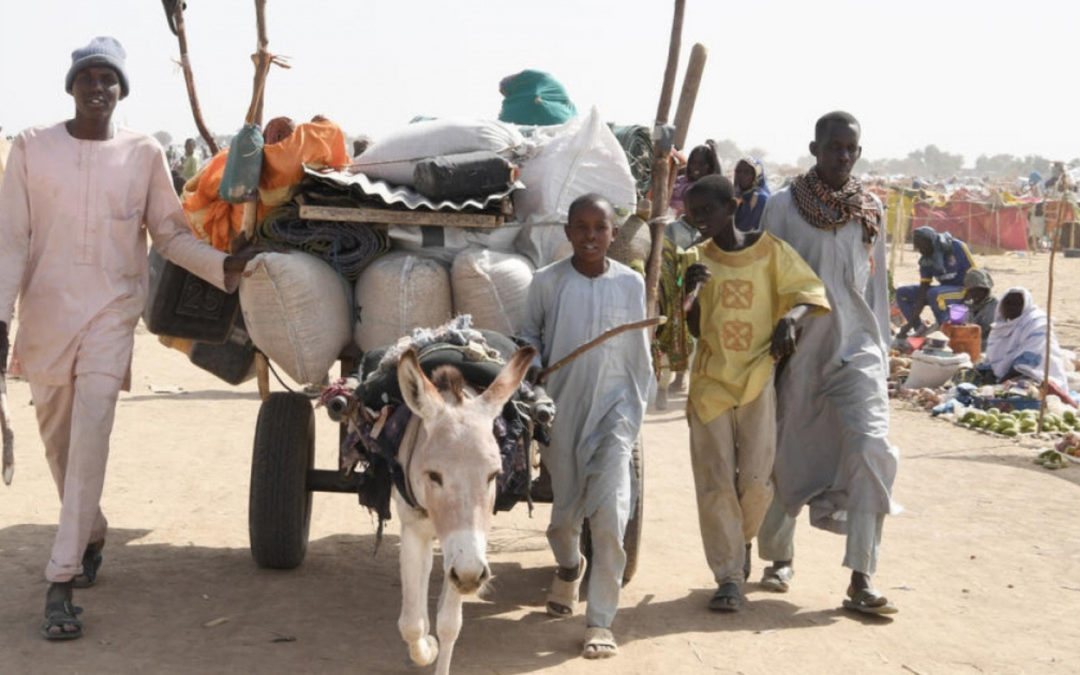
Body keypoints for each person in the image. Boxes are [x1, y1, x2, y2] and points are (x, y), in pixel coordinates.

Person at [0, 36, 255, 640]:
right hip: (45, 320)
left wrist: (226, 266)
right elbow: (10, 241)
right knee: (60, 446)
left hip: (112, 317)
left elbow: (168, 236)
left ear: (121, 91)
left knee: (90, 439)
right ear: (71, 87)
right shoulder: (32, 148)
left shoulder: (143, 154)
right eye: (87, 77)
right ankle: (88, 531)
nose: (97, 87)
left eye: (108, 79)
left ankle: (59, 582)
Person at [756, 111, 901, 615]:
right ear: (814, 148)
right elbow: (764, 277)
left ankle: (862, 575)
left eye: (850, 149)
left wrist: (882, 351)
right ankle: (778, 557)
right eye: (833, 147)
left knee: (870, 447)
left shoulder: (871, 208)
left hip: (858, 347)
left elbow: (875, 285)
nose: (842, 156)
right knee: (789, 452)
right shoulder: (782, 208)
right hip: (799, 349)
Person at [682, 176, 829, 611]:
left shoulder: (770, 252)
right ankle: (728, 576)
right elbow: (691, 328)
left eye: (706, 212)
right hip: (710, 383)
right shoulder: (695, 258)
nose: (699, 222)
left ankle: (741, 540)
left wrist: (791, 319)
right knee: (714, 483)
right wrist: (688, 293)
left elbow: (809, 293)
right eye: (693, 215)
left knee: (756, 481)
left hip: (757, 378)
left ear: (733, 206)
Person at [520, 193, 654, 659]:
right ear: (568, 233)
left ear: (614, 235)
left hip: (616, 410)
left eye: (600, 227)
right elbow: (528, 335)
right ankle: (569, 567)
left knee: (612, 517)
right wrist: (534, 363)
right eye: (582, 226)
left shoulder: (631, 285)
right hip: (563, 408)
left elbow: (638, 353)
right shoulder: (546, 282)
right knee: (564, 519)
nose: (591, 236)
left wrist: (637, 405)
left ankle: (599, 621)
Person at [895, 226, 976, 336]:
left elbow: (975, 274)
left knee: (934, 294)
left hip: (963, 289)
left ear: (931, 241)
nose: (921, 251)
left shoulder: (957, 247)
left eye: (922, 246)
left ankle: (944, 328)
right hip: (943, 291)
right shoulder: (926, 260)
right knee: (902, 293)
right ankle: (920, 328)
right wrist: (911, 322)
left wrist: (969, 299)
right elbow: (923, 289)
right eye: (918, 247)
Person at [984, 287, 1068, 391]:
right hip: (1007, 376)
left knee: (1023, 390)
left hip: (1037, 373)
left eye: (1017, 304)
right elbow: (990, 361)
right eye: (1008, 303)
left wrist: (1001, 383)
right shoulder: (1000, 328)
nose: (1012, 307)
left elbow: (1028, 361)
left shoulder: (1036, 323)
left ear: (1025, 305)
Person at [670, 143, 722, 218]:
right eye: (693, 163)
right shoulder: (679, 180)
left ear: (710, 166)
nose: (696, 167)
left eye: (702, 164)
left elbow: (719, 179)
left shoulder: (706, 188)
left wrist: (714, 154)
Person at [961, 268, 998, 350]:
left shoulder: (996, 306)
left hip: (989, 344)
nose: (976, 294)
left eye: (980, 290)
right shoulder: (967, 306)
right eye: (972, 291)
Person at [733, 156, 771, 233]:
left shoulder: (760, 198)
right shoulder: (736, 194)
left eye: (746, 172)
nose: (740, 175)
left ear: (756, 175)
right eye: (738, 171)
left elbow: (745, 229)